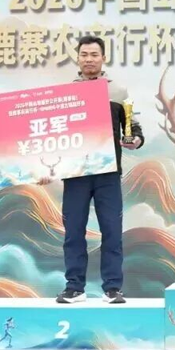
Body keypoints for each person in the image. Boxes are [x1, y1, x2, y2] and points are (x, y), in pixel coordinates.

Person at [57, 36, 144, 304]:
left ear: (103, 58)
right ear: (77, 58)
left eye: (94, 55)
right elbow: (55, 132)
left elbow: (132, 127)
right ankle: (74, 287)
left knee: (112, 231)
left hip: (108, 173)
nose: (89, 59)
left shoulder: (118, 91)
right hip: (76, 174)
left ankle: (113, 288)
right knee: (73, 231)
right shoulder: (65, 93)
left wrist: (135, 139)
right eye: (84, 54)